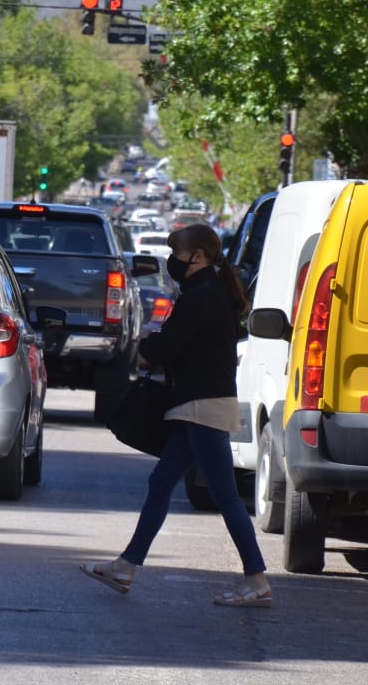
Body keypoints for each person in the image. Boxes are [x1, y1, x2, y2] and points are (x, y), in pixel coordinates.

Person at [80, 222, 272, 607]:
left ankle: (256, 579)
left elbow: (165, 348)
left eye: (177, 253)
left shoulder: (201, 296)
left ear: (197, 257)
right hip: (197, 406)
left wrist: (144, 345)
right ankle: (126, 566)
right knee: (161, 482)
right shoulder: (211, 291)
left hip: (201, 407)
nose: (173, 261)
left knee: (225, 495)